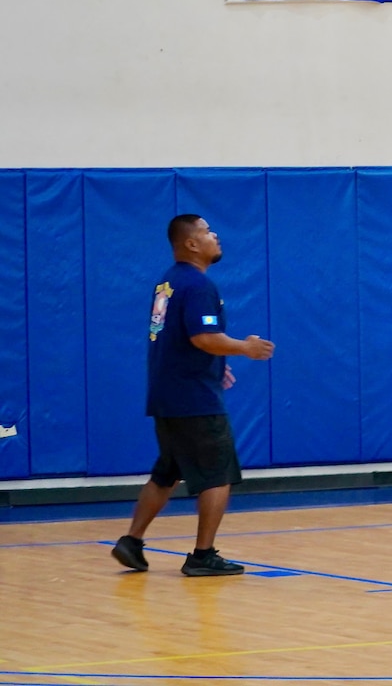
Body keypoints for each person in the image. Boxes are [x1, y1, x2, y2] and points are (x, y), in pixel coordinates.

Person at [111, 214, 274, 577]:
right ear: (192, 244)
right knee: (217, 474)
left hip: (167, 393)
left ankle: (132, 542)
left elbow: (180, 341)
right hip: (194, 399)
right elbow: (203, 337)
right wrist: (244, 348)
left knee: (167, 472)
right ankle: (203, 555)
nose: (215, 236)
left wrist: (215, 365)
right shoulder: (199, 286)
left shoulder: (167, 284)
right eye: (207, 231)